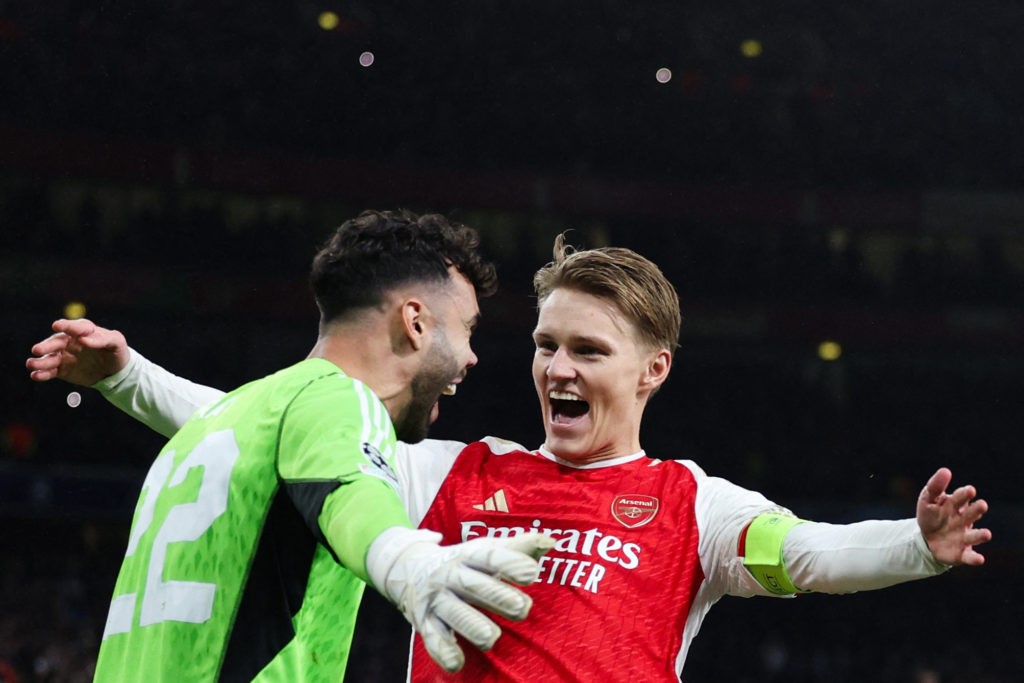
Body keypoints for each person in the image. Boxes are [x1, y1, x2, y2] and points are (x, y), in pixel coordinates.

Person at [28, 235, 991, 682]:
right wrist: (129, 376)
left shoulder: (692, 504)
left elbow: (813, 556)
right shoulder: (456, 471)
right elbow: (279, 436)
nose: (554, 367)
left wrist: (915, 544)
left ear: (653, 370)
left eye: (586, 350)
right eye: (544, 344)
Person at [24, 209, 555, 682]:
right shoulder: (344, 402)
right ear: (414, 323)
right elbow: (350, 489)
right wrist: (407, 561)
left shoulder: (235, 417)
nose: (471, 357)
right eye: (467, 329)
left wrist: (129, 379)